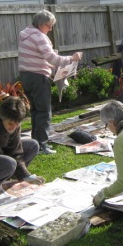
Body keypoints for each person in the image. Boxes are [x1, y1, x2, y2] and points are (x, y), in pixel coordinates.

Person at [18, 10, 83, 154]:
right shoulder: (39, 36)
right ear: (41, 24)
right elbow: (53, 58)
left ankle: (35, 143)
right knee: (44, 112)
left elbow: (39, 56)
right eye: (49, 25)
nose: (51, 29)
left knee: (36, 111)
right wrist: (73, 58)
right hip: (38, 77)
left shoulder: (25, 34)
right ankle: (42, 145)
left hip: (26, 76)